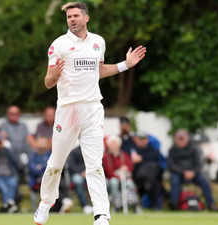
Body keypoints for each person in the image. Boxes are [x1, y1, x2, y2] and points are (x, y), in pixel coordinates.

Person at [34, 2, 146, 225]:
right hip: (68, 109)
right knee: (56, 164)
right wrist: (54, 76)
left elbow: (99, 70)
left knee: (94, 164)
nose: (72, 20)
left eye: (75, 16)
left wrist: (126, 65)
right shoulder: (59, 45)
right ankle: (46, 204)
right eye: (68, 17)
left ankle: (101, 215)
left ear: (86, 18)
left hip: (93, 108)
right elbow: (47, 82)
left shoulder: (98, 42)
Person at [167, 129, 218, 211]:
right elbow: (171, 165)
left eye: (182, 138)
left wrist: (193, 172)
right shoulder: (172, 150)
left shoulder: (194, 149)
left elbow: (199, 164)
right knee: (174, 181)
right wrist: (183, 172)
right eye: (179, 138)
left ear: (187, 138)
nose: (181, 141)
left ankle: (211, 204)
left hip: (193, 173)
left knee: (204, 181)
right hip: (179, 174)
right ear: (175, 139)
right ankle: (174, 205)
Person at [102, 136, 138, 212]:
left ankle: (134, 204)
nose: (114, 146)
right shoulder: (105, 157)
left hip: (124, 177)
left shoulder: (125, 155)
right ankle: (116, 205)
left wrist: (126, 169)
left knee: (130, 184)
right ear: (108, 145)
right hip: (111, 179)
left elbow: (130, 168)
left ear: (119, 145)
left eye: (115, 144)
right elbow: (108, 171)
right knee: (113, 182)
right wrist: (118, 175)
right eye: (112, 144)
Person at [130, 132, 164, 209]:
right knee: (151, 182)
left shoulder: (153, 149)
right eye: (140, 139)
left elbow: (156, 161)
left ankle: (154, 206)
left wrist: (142, 158)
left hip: (151, 178)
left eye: (144, 139)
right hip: (138, 178)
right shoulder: (133, 150)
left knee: (153, 181)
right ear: (137, 140)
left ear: (147, 140)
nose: (142, 141)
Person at [0, 135, 20, 213]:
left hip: (10, 176)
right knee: (4, 187)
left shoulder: (9, 152)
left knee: (13, 183)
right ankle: (10, 205)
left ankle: (7, 205)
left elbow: (17, 163)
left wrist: (6, 149)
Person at [67, 147, 93, 214]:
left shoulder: (92, 150)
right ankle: (85, 205)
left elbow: (95, 164)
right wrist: (81, 172)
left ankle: (98, 206)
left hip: (90, 173)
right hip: (77, 174)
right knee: (78, 180)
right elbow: (71, 165)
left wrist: (88, 172)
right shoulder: (74, 151)